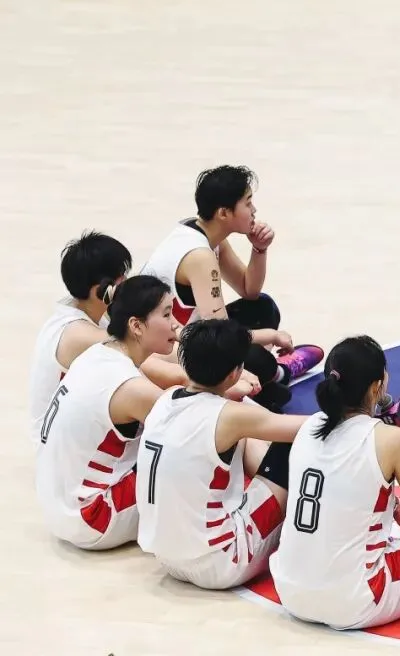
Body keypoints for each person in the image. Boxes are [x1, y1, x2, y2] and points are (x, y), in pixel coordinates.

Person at [270, 336, 400, 630]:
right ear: (377, 387)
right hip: (356, 600)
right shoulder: (389, 438)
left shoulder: (308, 425)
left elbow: (342, 487)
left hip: (289, 590)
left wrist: (394, 503)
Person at [28, 231, 253, 450]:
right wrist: (228, 372)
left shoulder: (87, 309)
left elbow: (162, 353)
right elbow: (163, 367)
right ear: (102, 290)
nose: (127, 284)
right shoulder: (81, 335)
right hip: (67, 442)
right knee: (206, 420)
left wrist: (218, 358)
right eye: (122, 278)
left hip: (83, 427)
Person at [136, 319, 308, 590]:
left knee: (238, 440)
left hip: (166, 558)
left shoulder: (165, 399)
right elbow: (305, 428)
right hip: (222, 562)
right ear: (235, 373)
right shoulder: (230, 416)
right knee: (288, 447)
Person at [139, 164, 322, 411]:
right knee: (257, 360)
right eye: (248, 203)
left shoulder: (203, 231)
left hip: (190, 334)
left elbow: (249, 290)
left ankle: (268, 375)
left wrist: (259, 249)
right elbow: (221, 338)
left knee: (262, 307)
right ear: (224, 213)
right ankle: (279, 372)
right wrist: (271, 336)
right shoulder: (199, 256)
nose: (254, 210)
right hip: (166, 351)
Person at [34, 275, 179, 550]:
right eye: (167, 314)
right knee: (190, 460)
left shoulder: (98, 353)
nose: (175, 324)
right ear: (136, 326)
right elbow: (196, 430)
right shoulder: (131, 387)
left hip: (55, 504)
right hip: (92, 516)